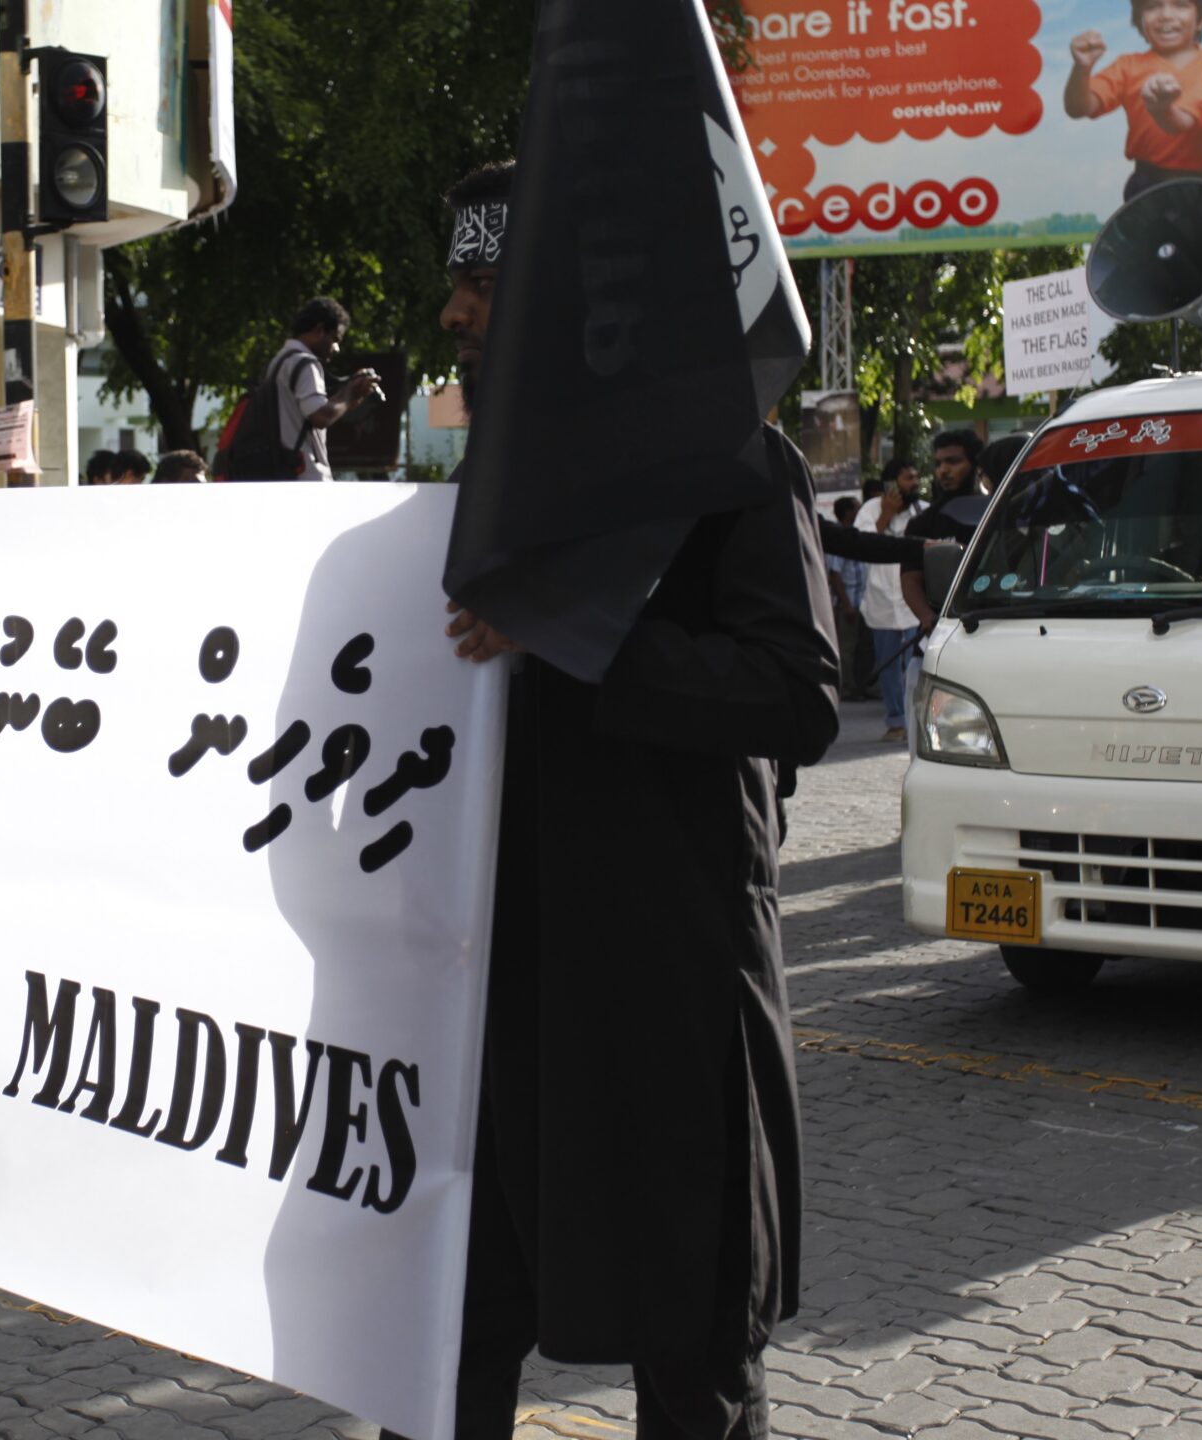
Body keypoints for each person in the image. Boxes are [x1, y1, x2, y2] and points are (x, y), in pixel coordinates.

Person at [412, 157, 839, 1440]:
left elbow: (797, 694)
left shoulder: (727, 464)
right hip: (485, 999)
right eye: (457, 286)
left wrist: (574, 627)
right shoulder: (475, 479)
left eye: (482, 283)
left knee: (689, 1345)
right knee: (438, 1333)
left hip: (663, 989)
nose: (456, 315)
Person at [1065, 0, 1202, 198]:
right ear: (1139, 20)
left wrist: (1162, 110)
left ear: (1201, 19)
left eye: (1180, 5)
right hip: (1147, 185)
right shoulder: (1127, 66)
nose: (1165, 15)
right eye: (1152, 6)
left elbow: (1183, 123)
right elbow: (1078, 107)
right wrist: (1082, 68)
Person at [260, 297, 383, 480]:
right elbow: (320, 416)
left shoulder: (278, 362)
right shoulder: (305, 363)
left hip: (280, 472)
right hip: (304, 477)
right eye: (335, 339)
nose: (337, 348)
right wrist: (349, 392)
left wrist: (351, 397)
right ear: (319, 330)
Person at [853, 459, 922, 742]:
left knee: (915, 665)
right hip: (882, 602)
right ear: (891, 484)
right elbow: (861, 544)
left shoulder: (923, 511)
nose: (915, 483)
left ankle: (916, 721)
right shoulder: (869, 510)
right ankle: (896, 720)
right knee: (889, 666)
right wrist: (886, 515)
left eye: (916, 478)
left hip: (914, 604)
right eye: (908, 478)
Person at [901, 429, 986, 630]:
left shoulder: (994, 513)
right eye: (938, 464)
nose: (943, 470)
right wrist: (929, 619)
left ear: (975, 465)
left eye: (953, 461)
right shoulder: (922, 522)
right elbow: (910, 580)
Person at [825, 496, 877, 702]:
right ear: (847, 513)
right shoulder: (839, 539)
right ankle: (848, 687)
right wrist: (846, 604)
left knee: (865, 647)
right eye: (856, 508)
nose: (860, 511)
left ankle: (863, 685)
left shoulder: (857, 535)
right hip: (849, 603)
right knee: (848, 648)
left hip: (864, 602)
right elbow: (835, 575)